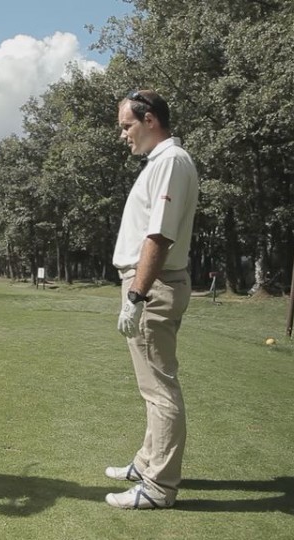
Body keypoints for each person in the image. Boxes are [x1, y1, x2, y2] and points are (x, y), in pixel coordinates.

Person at [104, 90, 199, 509]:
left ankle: (158, 488)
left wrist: (137, 295)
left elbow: (158, 236)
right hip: (150, 285)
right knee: (151, 387)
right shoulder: (160, 164)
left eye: (127, 126)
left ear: (151, 121)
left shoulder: (171, 163)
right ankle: (147, 463)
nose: (124, 135)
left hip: (153, 286)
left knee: (159, 388)